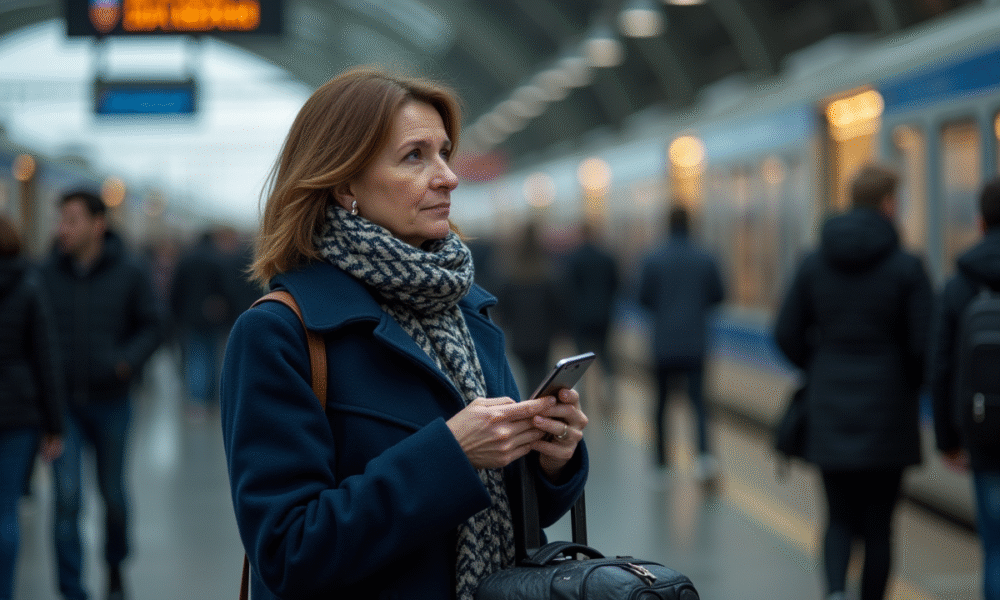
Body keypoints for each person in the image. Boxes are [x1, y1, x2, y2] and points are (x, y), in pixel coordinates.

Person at [220, 67, 589, 600]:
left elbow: (508, 506)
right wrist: (452, 454)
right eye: (415, 156)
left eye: (444, 153)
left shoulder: (466, 312)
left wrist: (550, 458)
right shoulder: (280, 334)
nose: (447, 176)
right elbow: (286, 551)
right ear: (345, 182)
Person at [773, 163, 932, 600]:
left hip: (830, 408)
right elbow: (925, 345)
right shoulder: (907, 266)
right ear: (888, 204)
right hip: (889, 412)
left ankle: (836, 593)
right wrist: (904, 382)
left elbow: (785, 332)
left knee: (839, 516)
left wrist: (819, 366)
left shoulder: (813, 262)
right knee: (880, 525)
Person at [40, 190, 164, 600]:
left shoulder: (128, 271)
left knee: (112, 495)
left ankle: (114, 565)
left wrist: (125, 362)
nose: (63, 229)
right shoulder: (45, 274)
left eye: (72, 220)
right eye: (61, 220)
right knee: (67, 499)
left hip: (112, 402)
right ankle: (72, 589)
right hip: (63, 408)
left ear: (98, 225)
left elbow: (153, 325)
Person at [928, 176, 1000, 600]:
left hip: (986, 433)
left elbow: (941, 369)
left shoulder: (958, 285)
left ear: (979, 223)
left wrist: (947, 440)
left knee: (995, 548)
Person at [0, 215, 64, 600]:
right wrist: (54, 425)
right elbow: (46, 358)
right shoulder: (29, 286)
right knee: (7, 507)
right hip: (18, 414)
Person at [638, 205, 724, 481]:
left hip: (663, 344)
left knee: (661, 403)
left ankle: (661, 464)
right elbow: (719, 296)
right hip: (695, 343)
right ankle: (704, 459)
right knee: (698, 402)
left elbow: (642, 298)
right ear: (691, 224)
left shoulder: (653, 259)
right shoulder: (706, 258)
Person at [494, 219, 566, 396]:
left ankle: (531, 404)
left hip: (520, 336)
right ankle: (538, 406)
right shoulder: (548, 272)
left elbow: (502, 308)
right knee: (541, 374)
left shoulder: (511, 273)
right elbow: (558, 306)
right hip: (543, 335)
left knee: (526, 375)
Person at [170, 228, 235, 421]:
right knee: (213, 357)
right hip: (213, 316)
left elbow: (176, 290)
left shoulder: (186, 260)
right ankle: (212, 400)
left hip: (190, 317)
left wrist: (177, 315)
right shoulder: (218, 260)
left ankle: (197, 403)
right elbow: (227, 289)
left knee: (195, 358)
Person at [563, 220, 620, 408]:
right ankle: (608, 390)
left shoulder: (573, 259)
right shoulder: (607, 257)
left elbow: (568, 289)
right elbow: (616, 285)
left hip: (580, 316)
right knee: (605, 354)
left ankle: (583, 396)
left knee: (580, 357)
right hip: (603, 314)